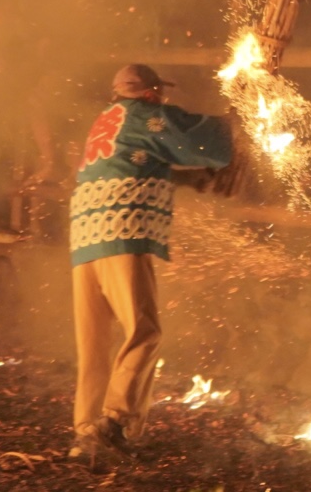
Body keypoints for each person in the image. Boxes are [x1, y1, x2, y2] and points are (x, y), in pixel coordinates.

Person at [69, 64, 232, 460]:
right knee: (145, 332)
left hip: (85, 239)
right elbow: (209, 142)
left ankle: (87, 430)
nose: (163, 99)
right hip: (121, 232)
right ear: (149, 93)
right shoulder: (148, 117)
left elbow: (135, 163)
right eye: (159, 92)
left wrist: (189, 181)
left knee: (94, 342)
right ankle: (113, 420)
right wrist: (236, 120)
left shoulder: (107, 121)